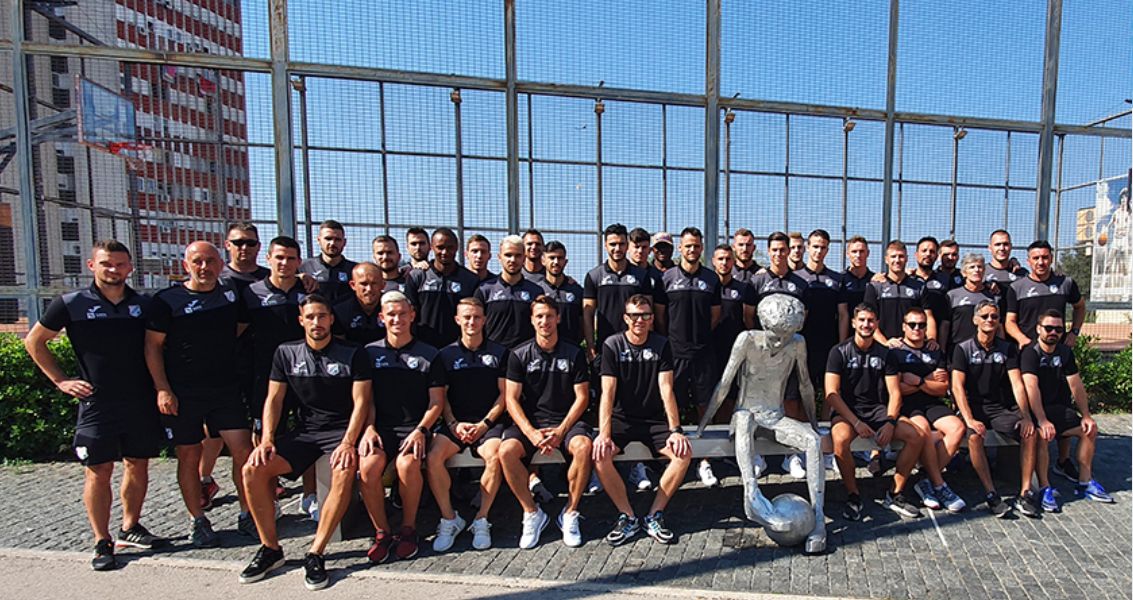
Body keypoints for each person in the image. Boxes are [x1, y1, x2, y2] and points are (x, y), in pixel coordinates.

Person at [24, 240, 163, 570]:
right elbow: (34, 341)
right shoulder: (71, 303)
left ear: (130, 267)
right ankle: (102, 541)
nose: (113, 270)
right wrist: (61, 380)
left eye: (120, 264)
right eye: (106, 264)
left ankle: (130, 527)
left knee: (137, 463)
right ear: (91, 266)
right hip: (97, 403)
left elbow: (155, 348)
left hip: (140, 399)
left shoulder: (144, 304)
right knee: (99, 470)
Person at [237, 296, 371, 590]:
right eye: (310, 317)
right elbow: (274, 399)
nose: (316, 322)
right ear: (301, 320)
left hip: (341, 432)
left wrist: (349, 442)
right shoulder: (286, 353)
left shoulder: (353, 353)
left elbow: (362, 402)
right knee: (252, 470)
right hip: (305, 432)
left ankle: (316, 552)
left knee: (343, 471)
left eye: (322, 316)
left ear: (331, 320)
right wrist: (267, 439)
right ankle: (270, 549)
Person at [145, 241, 254, 546]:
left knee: (243, 451)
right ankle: (198, 520)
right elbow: (152, 347)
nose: (204, 267)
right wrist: (163, 388)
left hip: (226, 389)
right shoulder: (167, 300)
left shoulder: (231, 294)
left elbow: (240, 326)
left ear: (220, 264)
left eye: (210, 261)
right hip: (184, 393)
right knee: (189, 455)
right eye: (197, 262)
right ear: (186, 265)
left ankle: (247, 514)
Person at [593, 294, 692, 546]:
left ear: (651, 318)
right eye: (635, 315)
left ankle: (654, 515)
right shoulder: (612, 345)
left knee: (683, 454)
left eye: (645, 315)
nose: (640, 320)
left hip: (653, 420)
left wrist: (676, 430)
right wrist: (604, 434)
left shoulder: (661, 344)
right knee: (600, 455)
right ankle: (627, 516)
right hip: (621, 419)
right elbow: (607, 393)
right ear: (626, 318)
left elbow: (666, 388)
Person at [357, 291, 446, 562]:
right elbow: (366, 399)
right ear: (382, 318)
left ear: (412, 316)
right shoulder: (369, 353)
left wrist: (421, 430)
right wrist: (368, 428)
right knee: (368, 467)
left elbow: (437, 402)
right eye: (391, 315)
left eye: (402, 314)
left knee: (407, 465)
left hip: (416, 428)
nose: (397, 319)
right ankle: (382, 532)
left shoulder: (429, 354)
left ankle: (408, 529)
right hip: (380, 428)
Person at [498, 297, 592, 549]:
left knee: (583, 447)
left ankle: (570, 512)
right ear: (531, 320)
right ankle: (532, 512)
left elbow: (582, 397)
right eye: (539, 316)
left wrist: (561, 431)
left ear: (558, 318)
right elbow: (511, 399)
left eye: (549, 315)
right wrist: (530, 433)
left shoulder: (574, 353)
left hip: (566, 422)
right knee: (506, 451)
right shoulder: (518, 354)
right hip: (531, 424)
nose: (544, 321)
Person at [240, 236, 319, 519]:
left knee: (312, 432)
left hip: (306, 375)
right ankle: (270, 496)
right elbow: (240, 333)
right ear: (268, 259)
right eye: (279, 258)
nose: (285, 263)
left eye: (291, 258)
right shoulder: (251, 293)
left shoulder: (308, 291)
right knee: (266, 435)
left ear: (299, 262)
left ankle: (310, 496)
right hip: (266, 377)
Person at [825, 304, 925, 521]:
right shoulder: (838, 352)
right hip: (848, 412)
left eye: (871, 320)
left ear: (877, 324)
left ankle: (895, 493)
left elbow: (895, 393)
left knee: (916, 436)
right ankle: (853, 495)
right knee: (840, 439)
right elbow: (831, 394)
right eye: (862, 320)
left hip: (878, 411)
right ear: (853, 323)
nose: (866, 324)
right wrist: (856, 423)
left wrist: (890, 422)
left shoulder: (886, 354)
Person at [426, 298, 509, 552]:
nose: (472, 322)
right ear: (457, 320)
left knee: (495, 455)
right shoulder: (444, 355)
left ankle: (482, 519)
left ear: (484, 320)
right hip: (456, 424)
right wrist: (453, 424)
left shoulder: (500, 353)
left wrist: (484, 424)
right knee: (433, 457)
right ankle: (450, 519)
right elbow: (441, 398)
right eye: (467, 317)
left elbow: (505, 395)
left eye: (477, 317)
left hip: (489, 424)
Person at [1005, 240, 1087, 477]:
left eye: (1045, 257)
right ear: (1028, 261)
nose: (1040, 262)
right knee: (1031, 403)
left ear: (1051, 258)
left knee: (1063, 403)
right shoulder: (1017, 287)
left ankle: (1063, 461)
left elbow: (1080, 306)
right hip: (1029, 357)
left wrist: (1074, 332)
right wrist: (1023, 340)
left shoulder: (1065, 283)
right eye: (1036, 258)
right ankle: (1030, 464)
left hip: (1056, 355)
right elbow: (1009, 322)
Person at [950, 300, 1039, 517]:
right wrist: (969, 419)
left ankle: (1025, 492)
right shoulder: (962, 348)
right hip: (973, 408)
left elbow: (1017, 384)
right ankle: (991, 493)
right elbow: (957, 387)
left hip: (999, 409)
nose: (990, 320)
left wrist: (1026, 416)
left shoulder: (1007, 348)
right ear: (975, 320)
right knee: (974, 436)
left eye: (994, 316)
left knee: (1030, 432)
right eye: (985, 316)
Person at [206, 222, 271, 511]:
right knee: (213, 432)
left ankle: (261, 489)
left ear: (259, 246)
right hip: (224, 368)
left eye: (250, 242)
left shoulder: (270, 278)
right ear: (227, 245)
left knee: (258, 429)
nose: (244, 247)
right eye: (238, 242)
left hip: (262, 366)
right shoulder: (218, 281)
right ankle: (205, 479)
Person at [1023, 310, 1115, 511]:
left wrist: (1087, 415)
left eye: (1058, 329)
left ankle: (1085, 482)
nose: (1053, 333)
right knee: (1042, 435)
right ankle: (1045, 487)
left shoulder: (1065, 353)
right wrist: (1042, 420)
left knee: (1089, 429)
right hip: (1035, 411)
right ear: (1038, 329)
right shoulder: (1030, 353)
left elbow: (1076, 384)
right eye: (1049, 328)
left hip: (1058, 409)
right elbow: (1031, 388)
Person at [655, 227, 721, 487]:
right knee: (673, 405)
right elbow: (660, 315)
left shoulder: (711, 279)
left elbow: (715, 316)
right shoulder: (667, 278)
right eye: (688, 246)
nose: (692, 250)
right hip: (675, 353)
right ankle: (673, 458)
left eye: (696, 246)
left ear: (701, 248)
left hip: (704, 353)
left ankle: (705, 461)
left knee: (705, 406)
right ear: (680, 248)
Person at [885, 307, 967, 513]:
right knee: (923, 431)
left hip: (932, 402)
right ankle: (939, 484)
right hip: (907, 405)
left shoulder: (934, 350)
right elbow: (897, 389)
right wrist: (929, 380)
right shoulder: (894, 352)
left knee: (957, 428)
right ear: (904, 327)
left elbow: (942, 388)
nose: (917, 329)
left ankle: (925, 481)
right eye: (912, 324)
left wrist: (918, 381)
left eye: (921, 325)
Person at [748, 232, 808, 478]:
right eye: (774, 250)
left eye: (783, 250)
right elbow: (748, 316)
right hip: (763, 354)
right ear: (768, 251)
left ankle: (791, 456)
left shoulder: (800, 283)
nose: (779, 254)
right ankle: (758, 455)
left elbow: (804, 317)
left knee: (791, 400)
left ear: (790, 251)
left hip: (789, 352)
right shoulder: (757, 281)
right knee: (760, 402)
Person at [582, 224, 653, 360]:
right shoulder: (594, 276)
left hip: (636, 348)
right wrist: (590, 346)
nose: (617, 248)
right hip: (605, 347)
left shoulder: (642, 276)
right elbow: (588, 314)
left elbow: (648, 314)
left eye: (621, 244)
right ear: (605, 245)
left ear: (627, 245)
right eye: (613, 244)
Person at [404, 227, 479, 348]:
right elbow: (409, 315)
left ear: (457, 247)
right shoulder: (417, 276)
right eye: (440, 247)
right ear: (432, 247)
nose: (445, 252)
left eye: (450, 247)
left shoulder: (470, 280)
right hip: (423, 348)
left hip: (457, 349)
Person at [795, 229, 849, 387]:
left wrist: (842, 345)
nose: (819, 251)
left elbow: (843, 314)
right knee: (800, 388)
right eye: (815, 246)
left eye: (823, 247)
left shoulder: (837, 279)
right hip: (801, 342)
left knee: (829, 388)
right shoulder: (796, 277)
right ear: (807, 247)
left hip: (828, 342)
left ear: (827, 250)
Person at [474, 235, 544, 348]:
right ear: (499, 257)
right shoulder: (485, 290)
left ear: (524, 258)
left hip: (524, 355)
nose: (513, 260)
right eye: (508, 255)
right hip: (493, 354)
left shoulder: (536, 292)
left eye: (518, 255)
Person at [864, 240, 935, 346]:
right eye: (893, 256)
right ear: (886, 259)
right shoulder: (875, 286)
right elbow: (869, 320)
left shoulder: (919, 286)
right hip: (882, 347)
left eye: (901, 256)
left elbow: (928, 316)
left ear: (906, 258)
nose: (897, 260)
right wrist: (885, 343)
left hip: (912, 347)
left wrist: (931, 339)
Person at [941, 253, 999, 354]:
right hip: (957, 350)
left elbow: (999, 326)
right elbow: (945, 325)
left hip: (985, 351)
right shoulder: (952, 295)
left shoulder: (992, 296)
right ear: (964, 272)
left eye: (980, 267)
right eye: (972, 267)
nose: (976, 270)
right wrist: (942, 349)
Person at [299, 220, 357, 304]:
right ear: (319, 240)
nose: (332, 243)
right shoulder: (304, 267)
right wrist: (298, 277)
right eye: (328, 239)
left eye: (337, 239)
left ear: (344, 242)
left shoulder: (354, 269)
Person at [540, 240, 585, 348]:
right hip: (544, 349)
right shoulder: (537, 290)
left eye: (560, 258)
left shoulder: (577, 290)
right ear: (543, 261)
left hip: (571, 349)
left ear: (565, 261)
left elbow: (583, 322)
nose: (556, 262)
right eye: (551, 258)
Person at [332, 262, 387, 345]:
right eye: (364, 284)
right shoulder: (339, 310)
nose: (369, 289)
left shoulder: (392, 307)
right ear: (353, 285)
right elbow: (339, 345)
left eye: (374, 283)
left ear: (383, 285)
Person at [984, 229, 1028, 295]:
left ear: (1011, 246)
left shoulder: (1022, 274)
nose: (1002, 248)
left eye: (1005, 244)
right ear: (990, 248)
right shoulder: (981, 272)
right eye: (997, 244)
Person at [841, 235, 874, 312]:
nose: (858, 255)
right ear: (847, 254)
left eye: (861, 251)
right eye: (854, 251)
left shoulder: (874, 280)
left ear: (868, 253)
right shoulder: (840, 279)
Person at [628, 227, 665, 292]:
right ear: (628, 248)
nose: (640, 251)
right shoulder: (621, 273)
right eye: (636, 247)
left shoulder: (657, 276)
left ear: (650, 250)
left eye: (644, 247)